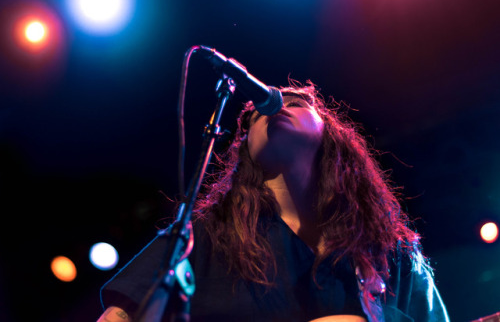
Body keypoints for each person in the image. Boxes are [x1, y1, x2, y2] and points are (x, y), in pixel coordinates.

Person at [97, 80, 450, 322]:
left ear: (330, 134)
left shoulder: (390, 252)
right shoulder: (205, 237)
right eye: (256, 114)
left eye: (295, 102)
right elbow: (122, 313)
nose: (275, 106)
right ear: (245, 146)